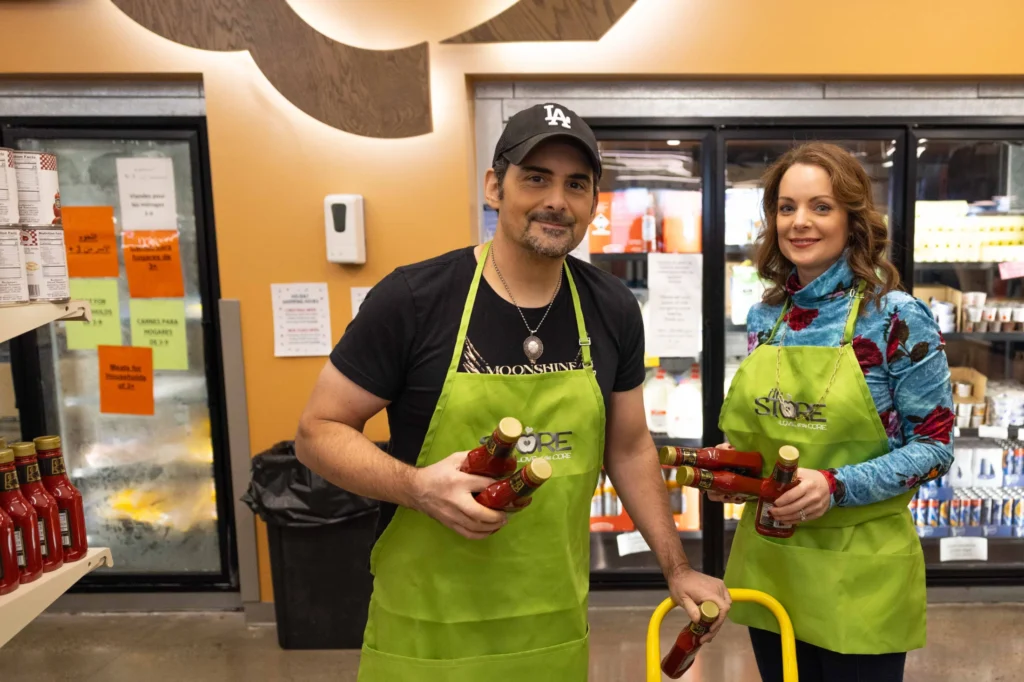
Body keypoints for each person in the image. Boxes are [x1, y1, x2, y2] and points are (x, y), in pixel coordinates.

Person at [295, 102, 730, 681]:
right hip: (424, 631)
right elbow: (317, 433)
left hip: (550, 629)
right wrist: (417, 488)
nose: (557, 200)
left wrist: (677, 567)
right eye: (536, 178)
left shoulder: (611, 308)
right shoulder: (415, 299)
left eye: (576, 184)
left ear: (592, 204)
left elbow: (628, 448)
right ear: (494, 187)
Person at [712, 142, 954, 682]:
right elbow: (768, 435)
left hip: (860, 569)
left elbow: (935, 448)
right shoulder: (766, 317)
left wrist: (833, 485)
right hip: (774, 562)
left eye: (820, 206)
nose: (799, 222)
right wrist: (739, 470)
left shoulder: (895, 317)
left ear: (852, 218)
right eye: (786, 207)